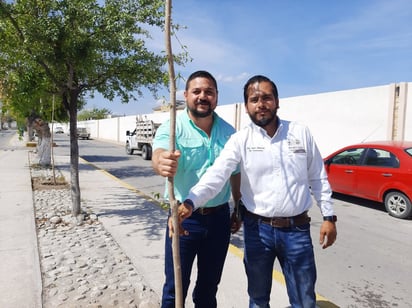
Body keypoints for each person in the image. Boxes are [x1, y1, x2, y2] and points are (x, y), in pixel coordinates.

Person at [176, 75, 338, 308]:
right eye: (254, 99)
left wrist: (329, 216)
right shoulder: (240, 140)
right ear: (247, 106)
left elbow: (318, 177)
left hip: (297, 231)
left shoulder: (300, 133)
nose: (261, 104)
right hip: (257, 232)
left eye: (266, 98)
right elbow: (216, 175)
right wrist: (190, 201)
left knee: (304, 301)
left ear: (277, 101)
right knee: (258, 299)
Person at [152, 70, 241, 308]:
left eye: (209, 92)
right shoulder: (172, 127)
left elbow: (235, 174)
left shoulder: (229, 133)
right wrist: (161, 161)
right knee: (175, 288)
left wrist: (238, 208)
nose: (203, 96)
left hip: (219, 219)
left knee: (208, 289)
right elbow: (159, 153)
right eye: (197, 91)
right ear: (186, 95)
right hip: (183, 220)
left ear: (217, 97)